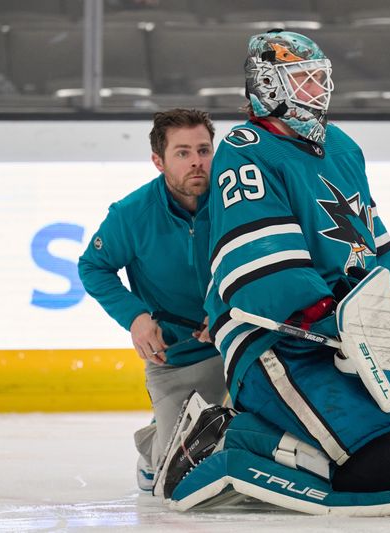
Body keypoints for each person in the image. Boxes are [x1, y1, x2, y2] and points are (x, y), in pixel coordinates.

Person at [158, 30, 390, 500]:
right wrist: (330, 316)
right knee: (372, 466)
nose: (318, 91)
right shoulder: (245, 150)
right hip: (275, 335)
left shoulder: (342, 147)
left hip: (346, 330)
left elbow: (374, 248)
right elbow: (260, 265)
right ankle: (223, 437)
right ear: (268, 86)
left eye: (320, 79)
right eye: (302, 81)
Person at [78, 108, 227, 491]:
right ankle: (155, 442)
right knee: (182, 475)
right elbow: (93, 266)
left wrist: (223, 310)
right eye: (182, 153)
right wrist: (136, 318)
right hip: (178, 360)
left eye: (204, 150)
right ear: (158, 161)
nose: (196, 161)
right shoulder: (131, 215)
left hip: (241, 346)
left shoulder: (240, 203)